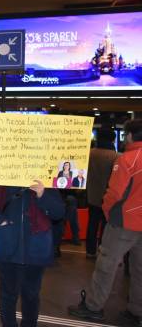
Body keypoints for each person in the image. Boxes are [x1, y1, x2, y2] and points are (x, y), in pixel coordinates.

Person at [68, 119, 142, 325]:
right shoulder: (122, 157)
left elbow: (114, 193)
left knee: (106, 265)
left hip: (124, 222)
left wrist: (108, 211)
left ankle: (93, 306)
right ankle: (136, 311)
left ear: (130, 135)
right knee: (139, 269)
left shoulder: (127, 159)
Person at [0, 181, 65, 327]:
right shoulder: (1, 180)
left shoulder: (45, 182)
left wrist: (42, 194)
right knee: (8, 294)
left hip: (36, 248)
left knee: (31, 295)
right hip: (8, 245)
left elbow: (59, 212)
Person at [85, 129, 118, 258]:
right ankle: (101, 250)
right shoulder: (116, 156)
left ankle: (90, 251)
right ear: (113, 139)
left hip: (92, 196)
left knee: (92, 224)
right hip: (108, 197)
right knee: (106, 225)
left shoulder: (90, 154)